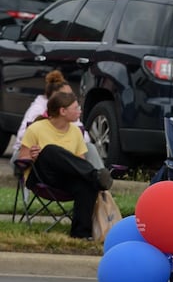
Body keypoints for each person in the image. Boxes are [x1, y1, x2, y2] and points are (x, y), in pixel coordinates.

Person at [15, 91, 112, 239]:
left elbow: (80, 162)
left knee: (86, 184)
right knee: (50, 150)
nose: (80, 110)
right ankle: (95, 175)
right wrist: (32, 156)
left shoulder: (75, 132)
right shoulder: (37, 128)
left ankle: (81, 234)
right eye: (76, 107)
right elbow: (21, 159)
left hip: (65, 179)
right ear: (63, 111)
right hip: (41, 177)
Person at [10, 70, 95, 165]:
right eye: (66, 96)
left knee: (88, 147)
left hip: (63, 154)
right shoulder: (37, 113)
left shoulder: (71, 116)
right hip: (32, 152)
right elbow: (24, 137)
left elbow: (84, 138)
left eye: (71, 95)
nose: (71, 98)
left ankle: (98, 175)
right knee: (53, 150)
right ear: (56, 97)